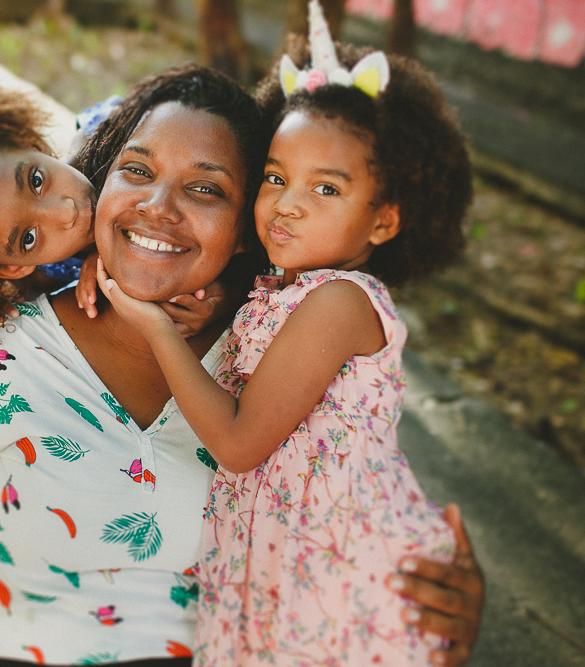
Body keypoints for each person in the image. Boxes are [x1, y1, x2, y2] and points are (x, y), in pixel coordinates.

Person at [0, 64, 484, 667]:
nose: (159, 205)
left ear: (250, 228)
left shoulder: (279, 345)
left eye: (206, 188)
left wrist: (430, 597)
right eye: (137, 171)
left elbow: (355, 497)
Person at [96, 6, 474, 665]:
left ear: (383, 221)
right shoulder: (287, 290)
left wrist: (156, 327)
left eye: (326, 188)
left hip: (343, 587)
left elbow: (240, 441)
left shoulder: (337, 301)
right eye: (275, 177)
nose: (288, 203)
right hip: (284, 573)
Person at [0, 85, 226, 357]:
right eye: (29, 238)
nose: (65, 212)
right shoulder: (57, 292)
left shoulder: (117, 133)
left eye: (35, 180)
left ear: (29, 142)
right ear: (12, 269)